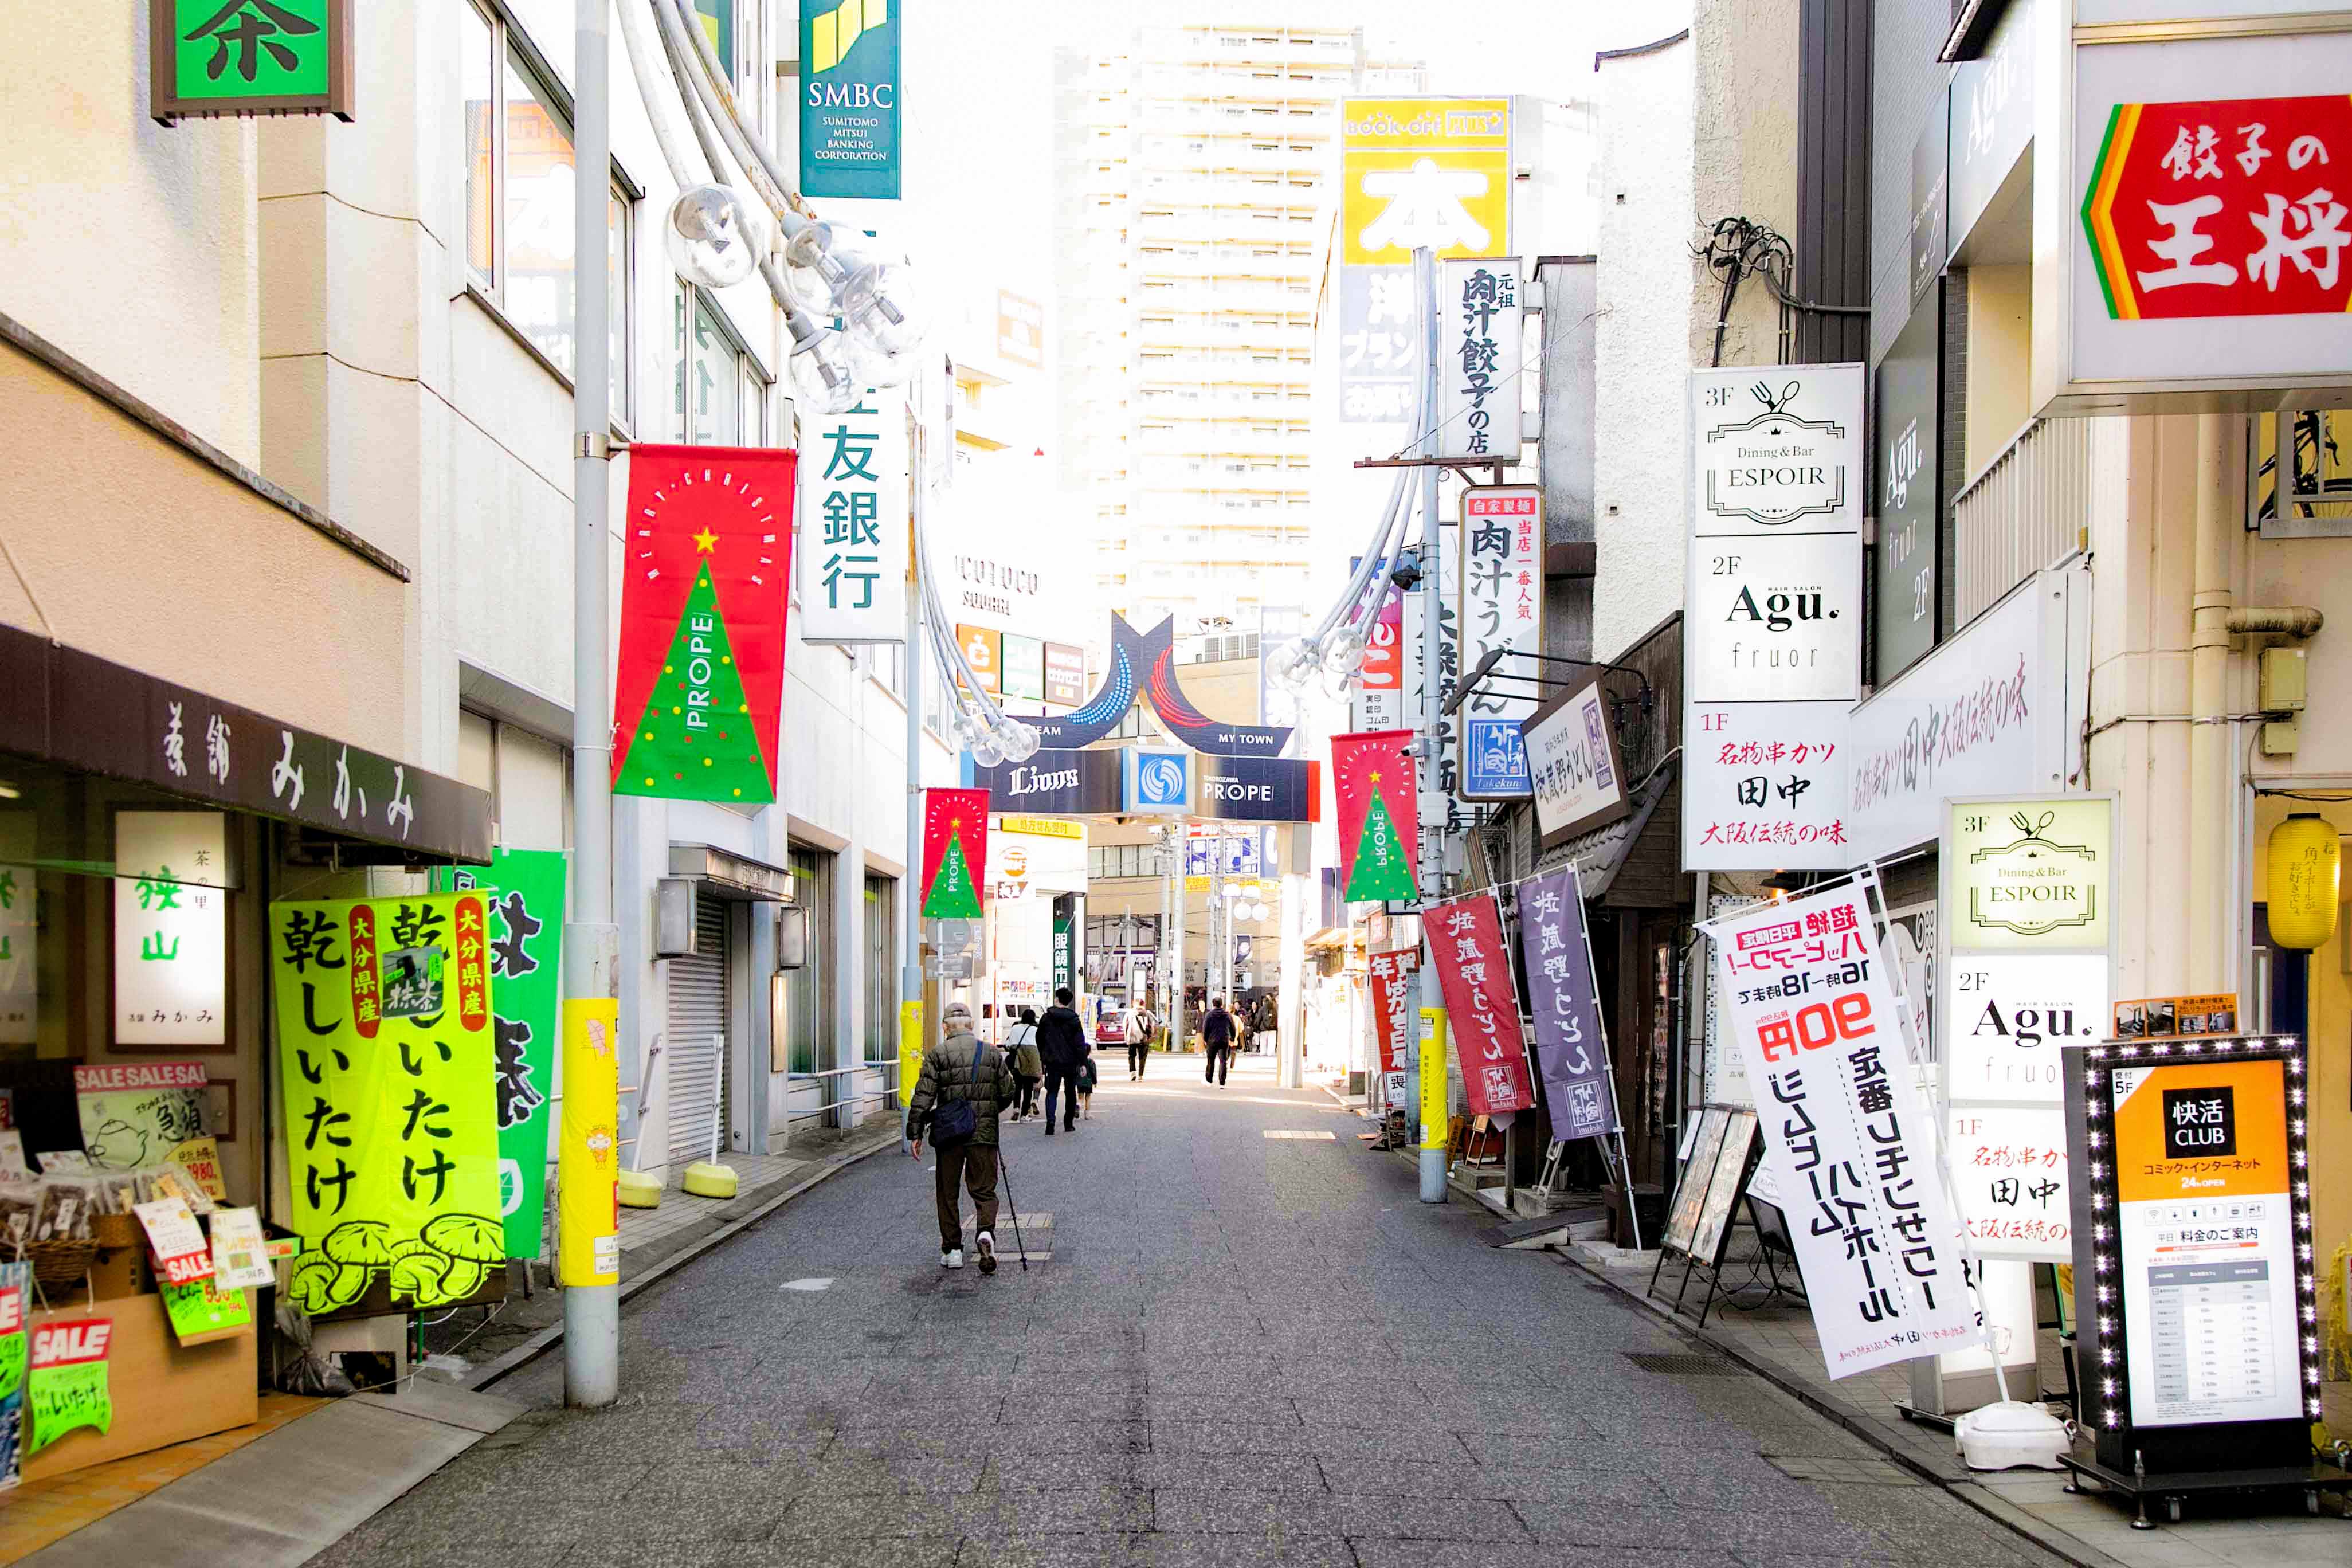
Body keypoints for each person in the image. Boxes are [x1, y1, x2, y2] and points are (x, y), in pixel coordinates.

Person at [905, 1002, 1018, 1273]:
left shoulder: (938, 1054)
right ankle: (986, 1232)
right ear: (971, 1026)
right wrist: (990, 1111)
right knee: (984, 1189)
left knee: (948, 1192)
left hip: (950, 1134)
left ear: (945, 1027)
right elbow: (1008, 1091)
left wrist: (915, 1133)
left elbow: (924, 1096)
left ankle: (953, 1250)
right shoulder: (991, 1053)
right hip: (983, 1133)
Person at [1036, 985, 1091, 1135]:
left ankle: (1050, 1123)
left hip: (1052, 1061)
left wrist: (1044, 1056)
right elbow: (1080, 1043)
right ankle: (1068, 1123)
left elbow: (1039, 1039)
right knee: (1070, 1092)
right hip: (1070, 1062)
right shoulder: (1074, 1019)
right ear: (1069, 1002)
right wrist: (1083, 1063)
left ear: (1057, 999)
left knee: (1052, 1092)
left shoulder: (1046, 1018)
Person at [1004, 1006, 1042, 1120]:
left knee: (1018, 1086)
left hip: (1017, 1059)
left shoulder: (1015, 1028)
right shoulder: (1037, 1030)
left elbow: (1008, 1044)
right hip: (1031, 1060)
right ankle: (1024, 1114)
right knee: (1028, 1088)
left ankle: (1016, 1108)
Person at [1202, 995, 1236, 1087]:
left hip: (1212, 1041)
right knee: (1223, 1061)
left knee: (1211, 1061)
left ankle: (1209, 1081)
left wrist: (1206, 1040)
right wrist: (1232, 1038)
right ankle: (1222, 1082)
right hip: (1224, 1041)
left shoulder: (1209, 1015)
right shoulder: (1227, 1015)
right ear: (1222, 1004)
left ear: (1213, 1005)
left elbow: (1205, 1029)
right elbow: (1233, 1028)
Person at [1127, 995, 1156, 1081]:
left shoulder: (1129, 1014)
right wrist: (1149, 1036)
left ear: (1134, 1004)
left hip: (1132, 1038)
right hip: (1143, 1038)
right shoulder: (1146, 1014)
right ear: (1144, 1004)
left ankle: (1133, 1073)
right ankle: (1140, 1076)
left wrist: (1127, 1037)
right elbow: (1151, 1026)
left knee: (1132, 1056)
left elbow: (1125, 1025)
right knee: (1142, 1057)